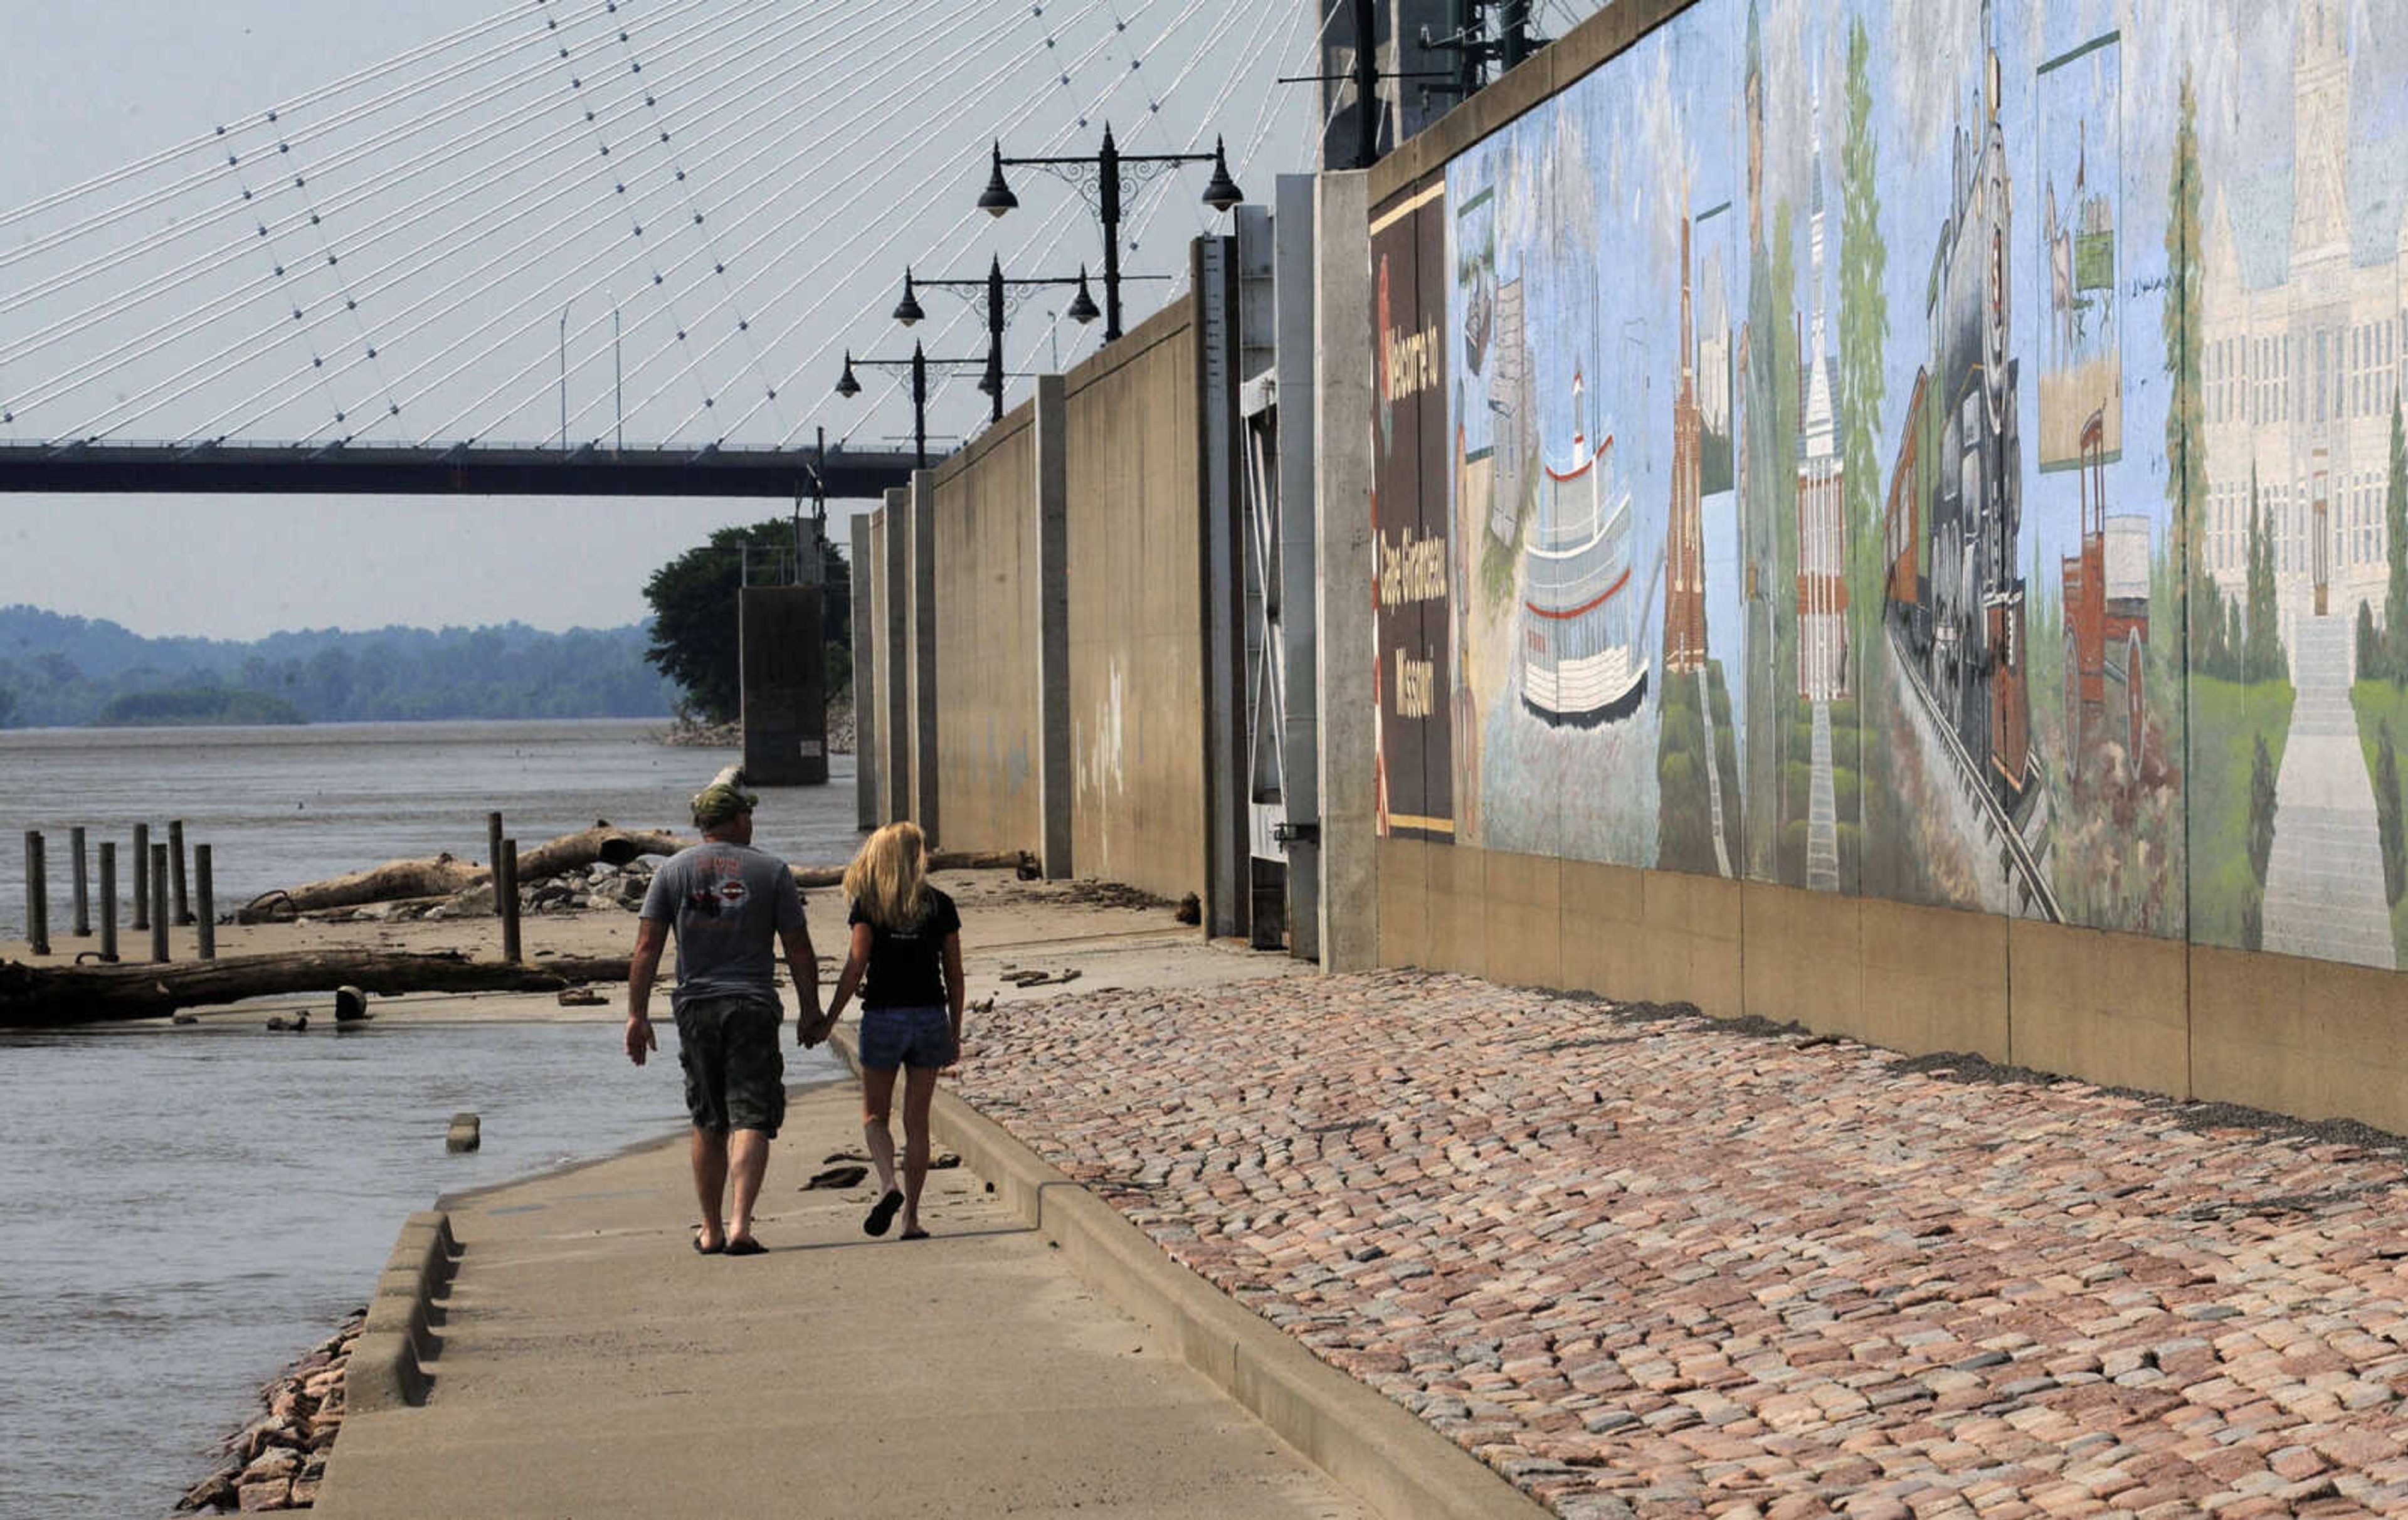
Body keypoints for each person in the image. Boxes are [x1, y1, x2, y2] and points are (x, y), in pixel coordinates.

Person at [625, 771, 825, 1257]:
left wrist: (637, 1015)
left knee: (708, 1118)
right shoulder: (771, 871)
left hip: (695, 1007)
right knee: (751, 1114)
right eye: (748, 814)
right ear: (736, 820)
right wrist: (811, 1010)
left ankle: (710, 1229)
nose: (752, 821)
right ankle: (740, 1225)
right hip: (753, 1005)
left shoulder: (672, 872)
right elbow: (799, 950)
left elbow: (646, 949)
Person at [822, 821, 963, 1241]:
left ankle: (888, 1185)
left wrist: (828, 1019)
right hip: (929, 1017)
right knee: (917, 1123)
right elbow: (954, 975)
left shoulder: (869, 905)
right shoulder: (941, 905)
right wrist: (954, 1031)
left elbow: (855, 967)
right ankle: (912, 1220)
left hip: (883, 1017)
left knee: (874, 1116)